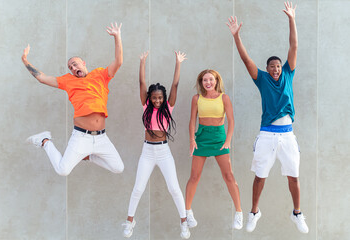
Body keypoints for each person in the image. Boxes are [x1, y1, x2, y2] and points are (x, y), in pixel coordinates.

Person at [226, 1, 309, 234]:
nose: (275, 69)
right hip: (267, 134)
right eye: (271, 66)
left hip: (287, 134)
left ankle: (297, 213)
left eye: (278, 66)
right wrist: (236, 37)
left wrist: (291, 18)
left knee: (294, 176)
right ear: (266, 68)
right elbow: (245, 60)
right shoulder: (261, 78)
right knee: (260, 177)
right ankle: (254, 212)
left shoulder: (288, 74)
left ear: (282, 67)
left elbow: (294, 45)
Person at [22, 22, 124, 176]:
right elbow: (42, 78)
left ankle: (87, 156)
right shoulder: (68, 80)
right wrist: (25, 61)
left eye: (75, 64)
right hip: (81, 136)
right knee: (63, 170)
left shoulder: (100, 75)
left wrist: (117, 37)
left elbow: (119, 61)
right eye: (71, 67)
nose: (74, 68)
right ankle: (44, 141)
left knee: (118, 168)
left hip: (101, 137)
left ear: (83, 63)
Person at [122, 51, 190, 239]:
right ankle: (129, 221)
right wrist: (142, 62)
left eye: (160, 97)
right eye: (154, 98)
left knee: (174, 188)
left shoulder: (168, 107)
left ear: (164, 97)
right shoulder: (146, 106)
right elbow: (141, 84)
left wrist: (178, 63)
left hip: (163, 151)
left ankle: (184, 222)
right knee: (138, 188)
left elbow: (175, 84)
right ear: (149, 98)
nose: (157, 100)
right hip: (147, 152)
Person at [185, 69, 243, 230]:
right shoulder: (196, 98)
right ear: (201, 82)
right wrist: (192, 140)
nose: (208, 82)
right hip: (202, 138)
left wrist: (228, 141)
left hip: (219, 137)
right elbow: (192, 121)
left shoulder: (224, 98)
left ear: (216, 81)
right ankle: (188, 212)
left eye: (211, 79)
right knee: (194, 176)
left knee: (229, 175)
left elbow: (231, 121)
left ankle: (239, 212)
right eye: (205, 80)